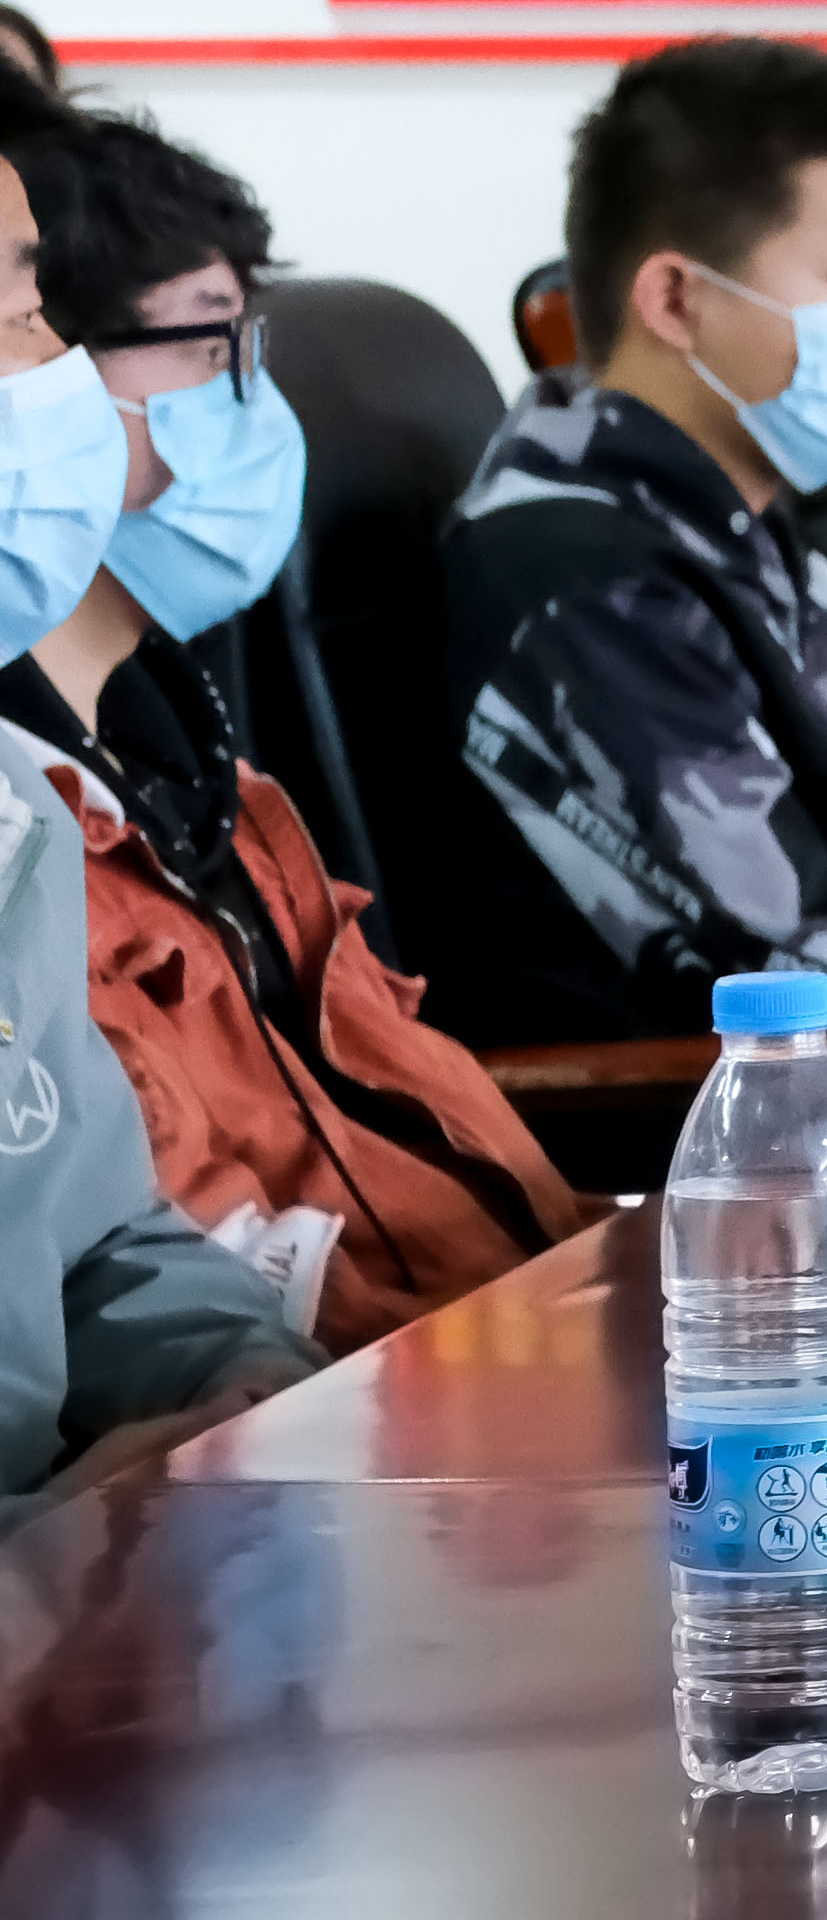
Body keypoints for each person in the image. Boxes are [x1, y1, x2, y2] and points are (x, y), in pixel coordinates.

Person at [0, 108, 577, 1353]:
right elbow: (151, 1261)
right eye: (213, 347)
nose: (258, 404)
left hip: (489, 1348)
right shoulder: (36, 836)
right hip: (368, 1405)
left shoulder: (206, 769)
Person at [430, 39, 827, 1047]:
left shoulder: (733, 522)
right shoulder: (576, 574)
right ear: (676, 300)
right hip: (741, 1112)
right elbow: (789, 968)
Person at [0, 89, 316, 1485]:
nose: (51, 372)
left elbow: (96, 1240)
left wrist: (239, 1374)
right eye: (21, 320)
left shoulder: (16, 804)